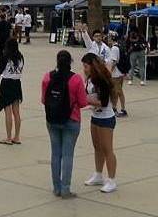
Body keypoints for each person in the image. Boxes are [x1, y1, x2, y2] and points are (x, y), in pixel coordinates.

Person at [42, 50, 89, 199]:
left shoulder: (48, 77)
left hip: (52, 119)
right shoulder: (76, 79)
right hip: (71, 119)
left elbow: (44, 100)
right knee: (68, 155)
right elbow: (83, 102)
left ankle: (56, 187)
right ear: (70, 62)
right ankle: (65, 189)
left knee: (55, 154)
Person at [81, 52, 118, 193]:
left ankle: (112, 180)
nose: (84, 69)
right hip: (95, 116)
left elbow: (103, 102)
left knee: (107, 149)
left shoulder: (102, 80)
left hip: (106, 118)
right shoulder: (89, 79)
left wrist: (85, 100)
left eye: (86, 66)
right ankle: (98, 174)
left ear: (93, 66)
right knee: (97, 147)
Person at [0, 38, 24, 145]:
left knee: (8, 111)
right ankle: (17, 136)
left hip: (7, 83)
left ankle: (8, 137)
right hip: (17, 83)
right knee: (16, 112)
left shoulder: (6, 57)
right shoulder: (20, 57)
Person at [107, 35, 129, 117]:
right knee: (117, 92)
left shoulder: (114, 48)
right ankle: (115, 108)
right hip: (120, 73)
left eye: (109, 38)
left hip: (115, 74)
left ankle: (122, 109)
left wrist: (109, 72)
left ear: (112, 39)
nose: (108, 40)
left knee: (118, 92)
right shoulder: (119, 46)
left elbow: (114, 61)